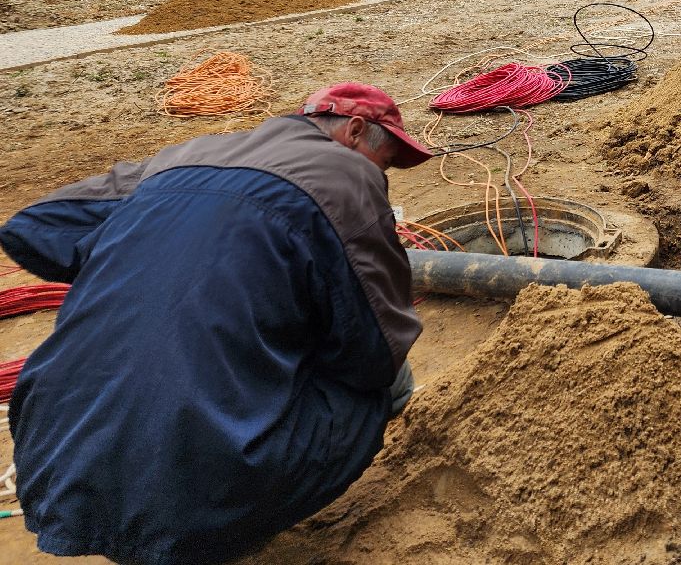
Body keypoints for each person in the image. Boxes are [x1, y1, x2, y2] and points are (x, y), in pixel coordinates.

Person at [0, 83, 433, 565]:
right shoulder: (347, 175)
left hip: (52, 454)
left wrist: (149, 264)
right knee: (389, 383)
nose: (381, 174)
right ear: (354, 130)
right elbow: (374, 352)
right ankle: (219, 531)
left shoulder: (185, 155)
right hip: (196, 482)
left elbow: (33, 227)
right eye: (385, 161)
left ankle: (159, 525)